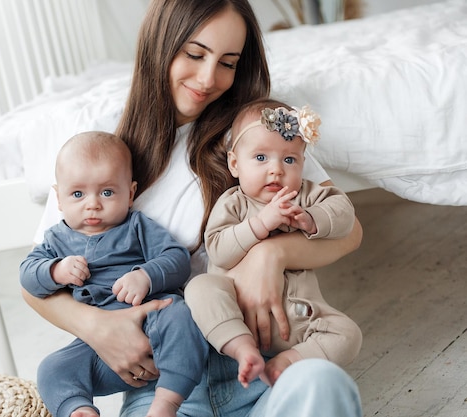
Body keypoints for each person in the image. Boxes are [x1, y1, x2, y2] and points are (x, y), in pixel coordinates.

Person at [23, 1, 364, 416]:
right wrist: (97, 328)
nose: (208, 79)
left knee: (324, 386)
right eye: (195, 54)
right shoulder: (106, 144)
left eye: (227, 62)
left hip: (258, 363)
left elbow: (349, 230)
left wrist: (272, 253)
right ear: (161, 46)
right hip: (166, 381)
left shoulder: (257, 134)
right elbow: (35, 280)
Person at [20, 131, 209, 417]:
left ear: (130, 193)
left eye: (107, 192)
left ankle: (166, 403)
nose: (93, 203)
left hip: (155, 323)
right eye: (77, 194)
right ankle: (79, 410)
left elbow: (177, 259)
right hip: (101, 346)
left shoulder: (136, 226)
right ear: (58, 198)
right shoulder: (56, 240)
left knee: (180, 314)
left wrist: (145, 276)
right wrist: (56, 270)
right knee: (51, 369)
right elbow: (27, 276)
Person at [184, 98, 363, 389]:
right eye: (260, 158)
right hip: (237, 312)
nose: (276, 170)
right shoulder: (234, 204)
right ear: (234, 163)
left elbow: (344, 212)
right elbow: (218, 248)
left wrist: (310, 218)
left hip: (300, 321)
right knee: (200, 289)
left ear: (303, 165)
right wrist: (260, 225)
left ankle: (288, 361)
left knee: (348, 334)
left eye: (289, 160)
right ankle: (243, 349)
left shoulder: (303, 196)